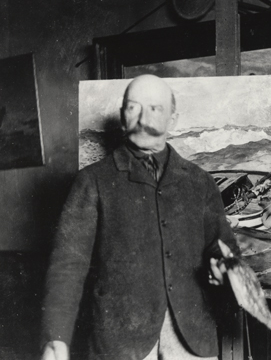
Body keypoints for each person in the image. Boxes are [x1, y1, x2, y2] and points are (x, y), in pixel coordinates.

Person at [40, 74, 240, 360]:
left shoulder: (201, 182)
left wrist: (226, 268)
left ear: (174, 119)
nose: (143, 117)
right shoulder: (92, 181)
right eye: (134, 107)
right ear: (123, 117)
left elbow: (224, 248)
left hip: (193, 340)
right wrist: (55, 338)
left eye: (155, 109)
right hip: (119, 343)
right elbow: (67, 265)